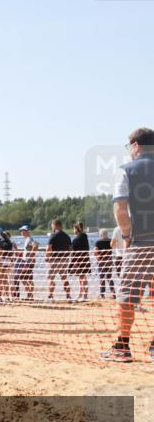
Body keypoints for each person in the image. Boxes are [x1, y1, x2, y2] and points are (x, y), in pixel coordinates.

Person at [102, 127, 154, 362]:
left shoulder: (125, 171)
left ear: (135, 145)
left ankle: (122, 346)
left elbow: (120, 209)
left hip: (140, 243)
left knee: (127, 296)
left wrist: (126, 236)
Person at [46, 219, 72, 301]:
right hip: (64, 259)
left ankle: (50, 295)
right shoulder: (67, 236)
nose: (52, 227)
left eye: (52, 226)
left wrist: (47, 257)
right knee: (64, 278)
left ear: (56, 225)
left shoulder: (53, 235)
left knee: (51, 278)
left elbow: (48, 248)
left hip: (54, 259)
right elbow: (70, 248)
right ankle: (68, 296)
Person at [13, 226, 38, 300]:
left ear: (26, 231)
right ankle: (30, 296)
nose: (21, 233)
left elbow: (35, 246)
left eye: (22, 231)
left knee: (23, 278)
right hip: (27, 261)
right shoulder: (28, 239)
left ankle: (30, 295)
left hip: (27, 262)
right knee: (28, 279)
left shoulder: (30, 239)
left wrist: (31, 255)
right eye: (20, 231)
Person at [70, 222, 91, 301]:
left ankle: (84, 295)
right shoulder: (85, 237)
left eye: (74, 228)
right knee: (82, 277)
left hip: (79, 260)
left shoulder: (76, 239)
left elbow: (73, 251)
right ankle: (81, 294)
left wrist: (73, 262)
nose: (73, 230)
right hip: (85, 259)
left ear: (76, 229)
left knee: (82, 278)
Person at [94, 228, 115, 300]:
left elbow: (95, 252)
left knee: (102, 278)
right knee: (109, 278)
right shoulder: (110, 241)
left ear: (101, 234)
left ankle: (102, 295)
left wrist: (99, 260)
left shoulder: (98, 242)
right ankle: (113, 293)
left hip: (102, 261)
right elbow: (112, 248)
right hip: (109, 260)